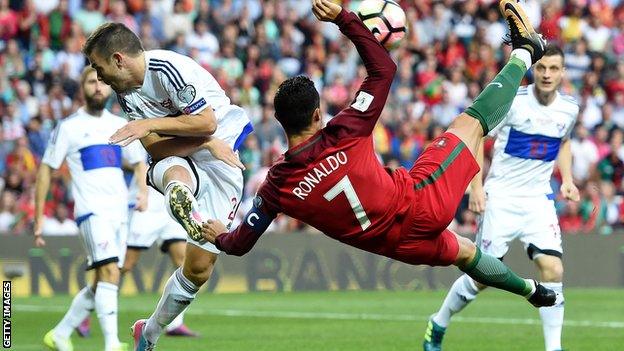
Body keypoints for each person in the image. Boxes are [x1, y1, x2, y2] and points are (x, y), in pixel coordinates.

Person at [203, 0, 558, 334]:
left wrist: (218, 234)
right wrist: (344, 19)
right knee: (472, 123)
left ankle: (530, 290)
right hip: (420, 202)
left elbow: (237, 244)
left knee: (465, 253)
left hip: (398, 247)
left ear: (280, 121)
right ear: (317, 114)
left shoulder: (276, 185)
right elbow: (384, 68)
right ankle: (526, 51)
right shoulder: (345, 129)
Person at [82, 21, 252, 351]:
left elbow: (207, 122)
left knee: (199, 270)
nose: (99, 78)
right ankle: (181, 195)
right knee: (168, 171)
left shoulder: (165, 68)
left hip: (224, 159)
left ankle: (149, 331)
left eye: (99, 68)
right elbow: (155, 149)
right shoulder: (125, 92)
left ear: (118, 59)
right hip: (185, 157)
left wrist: (149, 124)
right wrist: (203, 144)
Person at [423, 45, 579, 351]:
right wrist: (477, 187)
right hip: (502, 197)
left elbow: (564, 142)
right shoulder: (514, 102)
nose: (547, 74)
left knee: (553, 268)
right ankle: (439, 321)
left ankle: (554, 348)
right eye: (542, 67)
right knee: (482, 277)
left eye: (554, 69)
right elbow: (478, 135)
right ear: (534, 69)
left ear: (563, 72)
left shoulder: (569, 108)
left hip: (539, 200)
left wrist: (569, 180)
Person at [35, 66, 144, 351]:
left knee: (103, 281)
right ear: (82, 87)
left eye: (102, 82)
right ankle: (111, 344)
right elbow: (46, 170)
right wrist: (37, 218)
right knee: (109, 273)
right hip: (91, 212)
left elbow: (138, 161)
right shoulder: (69, 127)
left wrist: (142, 192)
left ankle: (60, 334)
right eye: (91, 82)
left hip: (119, 213)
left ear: (109, 86)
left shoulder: (118, 125)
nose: (98, 87)